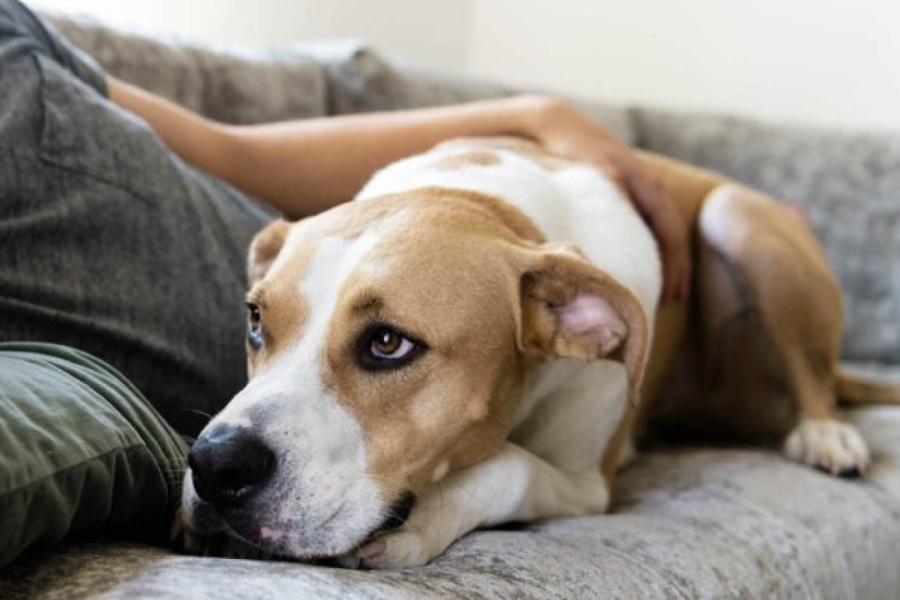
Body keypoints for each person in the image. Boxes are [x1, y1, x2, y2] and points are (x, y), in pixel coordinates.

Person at [0, 0, 686, 568]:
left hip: (364, 237)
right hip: (314, 245)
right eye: (259, 327)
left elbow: (228, 149)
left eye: (384, 344)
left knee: (741, 225)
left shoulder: (554, 283)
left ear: (583, 321)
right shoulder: (302, 253)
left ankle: (805, 405)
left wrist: (538, 114)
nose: (217, 448)